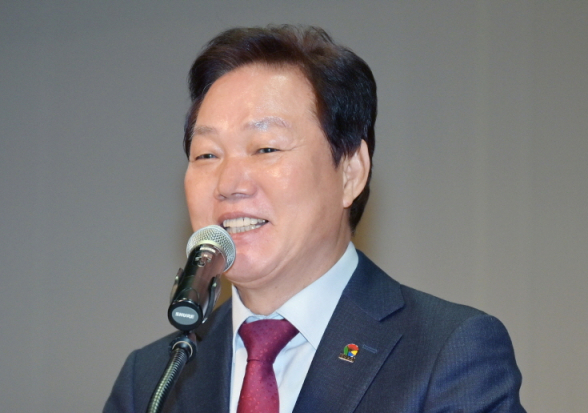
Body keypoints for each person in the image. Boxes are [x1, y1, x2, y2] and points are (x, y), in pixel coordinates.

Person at [104, 25, 525, 413]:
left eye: (266, 149)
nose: (229, 183)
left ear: (350, 172)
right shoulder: (151, 379)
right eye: (206, 155)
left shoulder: (448, 354)